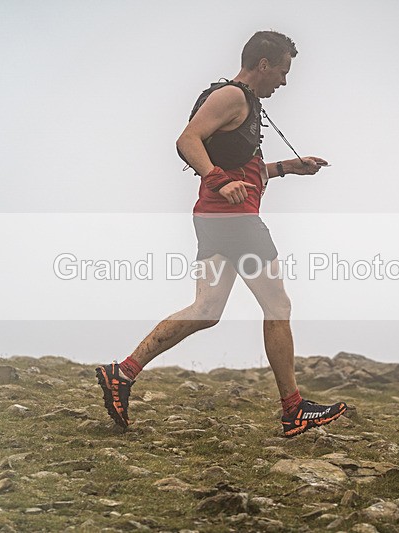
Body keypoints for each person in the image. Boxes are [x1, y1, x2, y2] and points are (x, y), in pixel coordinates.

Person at [96, 30, 347, 438]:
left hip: (215, 218)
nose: (284, 81)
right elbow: (187, 140)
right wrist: (217, 179)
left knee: (207, 309)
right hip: (235, 221)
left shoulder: (246, 104)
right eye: (282, 71)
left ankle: (122, 373)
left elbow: (242, 169)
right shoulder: (232, 96)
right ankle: (294, 410)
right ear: (263, 64)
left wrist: (286, 168)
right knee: (277, 305)